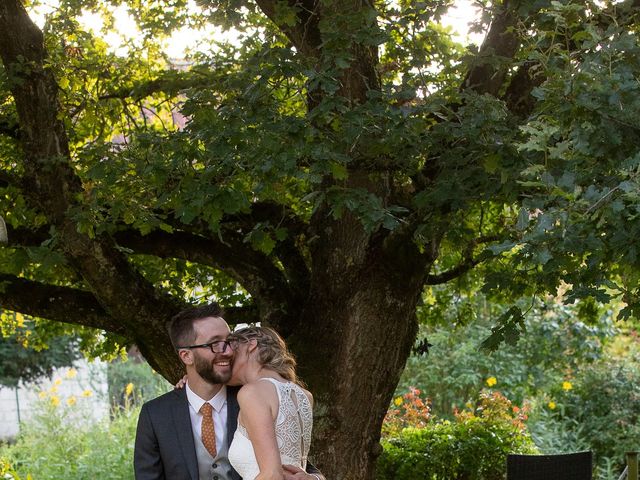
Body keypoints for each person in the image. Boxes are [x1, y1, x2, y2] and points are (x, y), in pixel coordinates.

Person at [134, 303, 324, 480]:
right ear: (186, 356)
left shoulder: (255, 397)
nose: (228, 351)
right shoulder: (155, 415)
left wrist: (314, 479)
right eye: (215, 343)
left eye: (230, 341)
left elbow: (295, 462)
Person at [226, 326, 313, 480]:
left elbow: (272, 475)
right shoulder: (304, 396)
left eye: (230, 346)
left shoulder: (252, 393)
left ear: (250, 345)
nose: (225, 355)